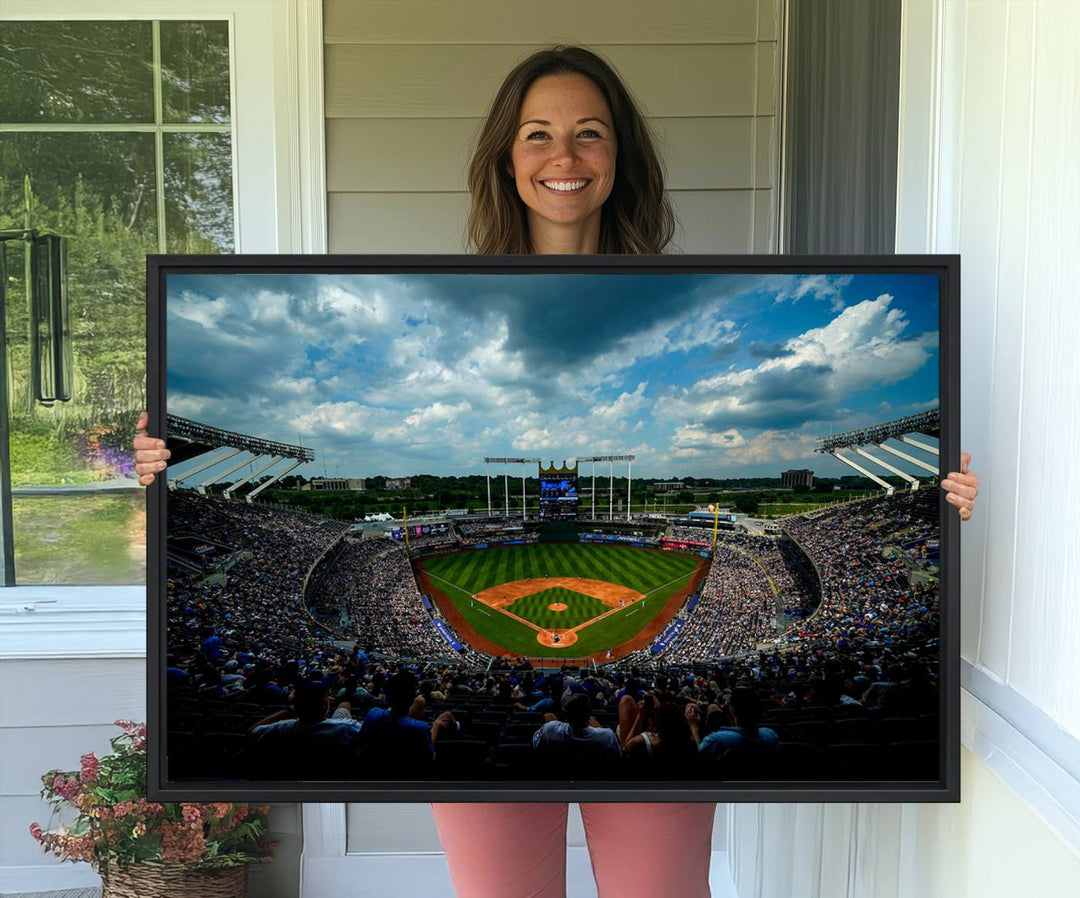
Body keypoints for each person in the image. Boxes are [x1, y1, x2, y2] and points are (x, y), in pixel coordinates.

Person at [134, 42, 980, 898]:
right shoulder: (446, 294)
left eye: (590, 133)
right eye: (537, 134)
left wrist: (936, 502)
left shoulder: (691, 288)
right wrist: (162, 475)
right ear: (506, 158)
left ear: (622, 157)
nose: (563, 156)